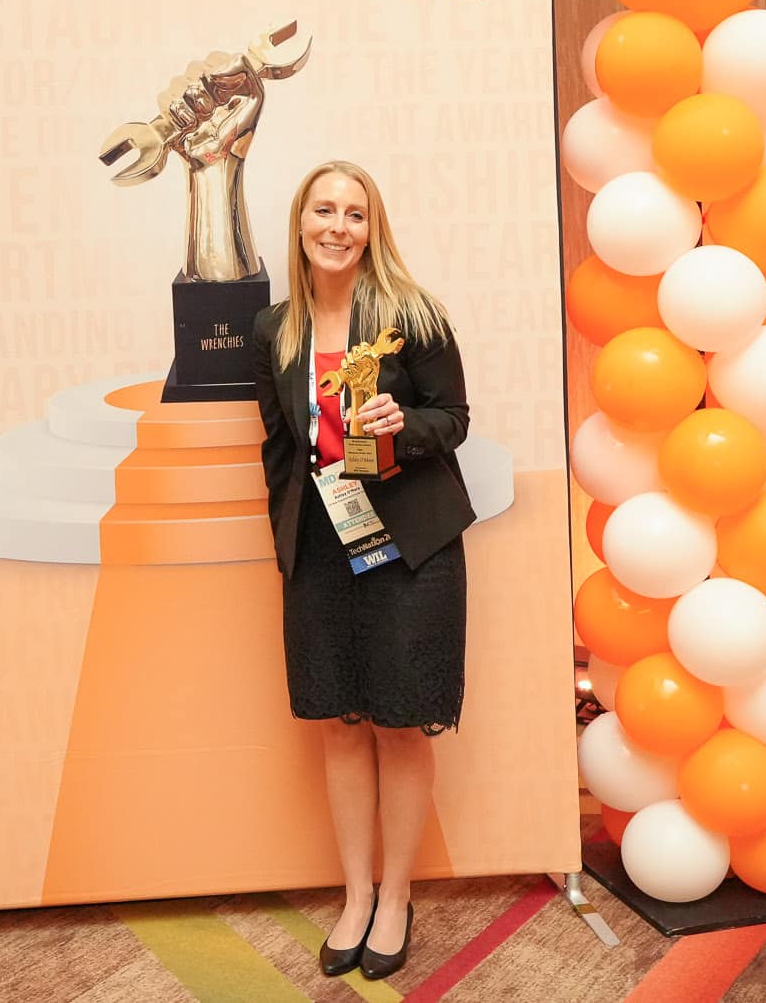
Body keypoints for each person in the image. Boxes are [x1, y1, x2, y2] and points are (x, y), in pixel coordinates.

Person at [250, 160, 475, 981]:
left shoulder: (413, 315)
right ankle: (355, 893)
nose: (337, 226)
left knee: (399, 723)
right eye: (324, 210)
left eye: (354, 212)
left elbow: (455, 418)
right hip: (321, 550)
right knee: (340, 724)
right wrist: (287, 539)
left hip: (409, 547)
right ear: (301, 221)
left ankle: (396, 896)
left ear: (371, 228)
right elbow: (278, 447)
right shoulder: (273, 329)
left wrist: (402, 422)